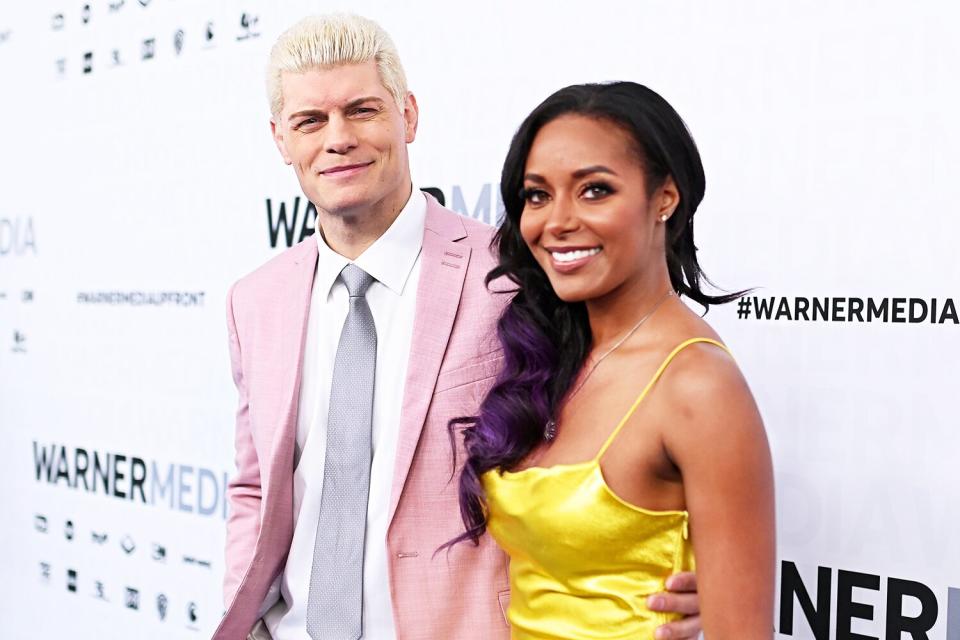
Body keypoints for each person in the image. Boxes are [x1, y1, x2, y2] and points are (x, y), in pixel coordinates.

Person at [214, 14, 705, 640]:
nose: (337, 139)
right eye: (311, 121)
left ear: (408, 116)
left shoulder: (516, 274)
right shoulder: (255, 300)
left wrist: (672, 573)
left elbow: (611, 441)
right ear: (281, 140)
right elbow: (255, 486)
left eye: (362, 111)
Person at [453, 82, 775, 639]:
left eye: (595, 190)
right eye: (537, 195)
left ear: (665, 198)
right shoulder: (549, 354)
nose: (557, 221)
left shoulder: (698, 386)